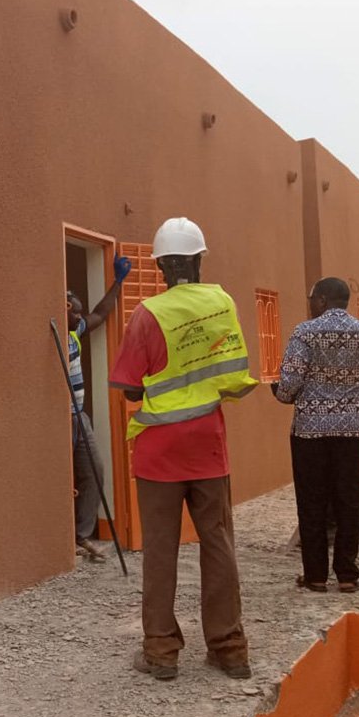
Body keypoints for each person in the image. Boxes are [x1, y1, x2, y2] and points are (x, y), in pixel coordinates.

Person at [109, 217, 258, 681]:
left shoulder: (147, 314)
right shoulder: (222, 303)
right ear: (198, 261)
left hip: (158, 450)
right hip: (207, 445)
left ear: (160, 267)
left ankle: (161, 652)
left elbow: (130, 388)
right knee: (218, 542)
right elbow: (232, 376)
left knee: (160, 550)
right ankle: (230, 649)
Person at [272, 277, 359, 593]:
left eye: (312, 299)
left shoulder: (304, 333)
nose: (310, 304)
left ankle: (315, 576)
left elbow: (288, 386)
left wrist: (283, 394)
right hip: (353, 432)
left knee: (311, 501)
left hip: (309, 434)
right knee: (349, 502)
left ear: (323, 300)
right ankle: (347, 575)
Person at [68, 253, 131, 559]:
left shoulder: (75, 332)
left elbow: (100, 313)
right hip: (60, 419)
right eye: (75, 312)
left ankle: (82, 535)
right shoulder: (53, 334)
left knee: (95, 470)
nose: (80, 317)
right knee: (62, 477)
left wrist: (118, 282)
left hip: (79, 417)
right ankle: (63, 540)